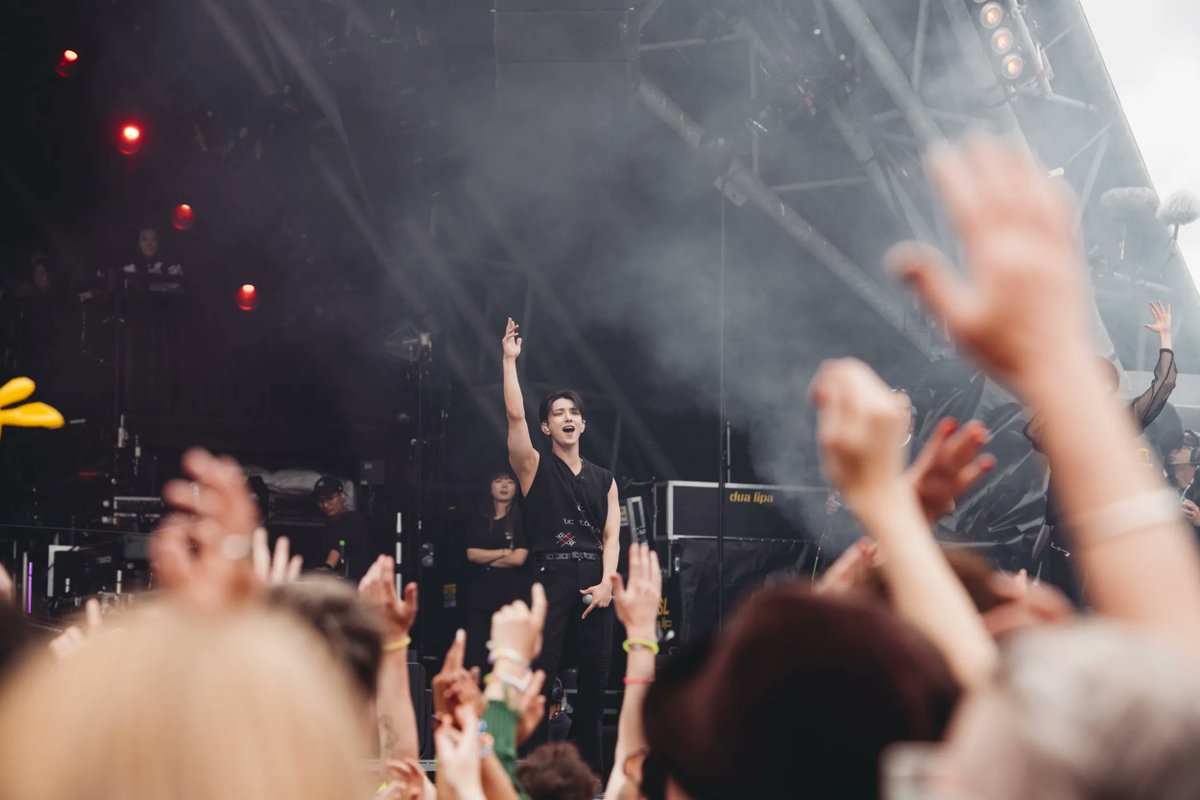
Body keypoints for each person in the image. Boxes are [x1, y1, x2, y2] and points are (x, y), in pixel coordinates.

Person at [501, 316, 619, 777]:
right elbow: (514, 415)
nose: (567, 418)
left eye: (573, 413)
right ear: (546, 427)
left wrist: (608, 582)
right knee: (538, 677)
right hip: (549, 576)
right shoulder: (532, 466)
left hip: (595, 580)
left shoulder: (604, 479)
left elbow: (612, 537)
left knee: (594, 685)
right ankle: (526, 772)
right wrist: (510, 361)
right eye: (557, 414)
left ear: (583, 423)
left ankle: (584, 776)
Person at [1025, 300, 1177, 600]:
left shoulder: (1118, 423)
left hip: (1095, 533)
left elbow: (1164, 385)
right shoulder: (1063, 425)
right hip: (1059, 533)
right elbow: (1032, 432)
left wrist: (1165, 338)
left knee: (1089, 607)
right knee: (1061, 606)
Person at [464, 469, 531, 670]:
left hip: (511, 596)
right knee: (477, 653)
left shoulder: (521, 518)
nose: (503, 485)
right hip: (481, 597)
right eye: (498, 480)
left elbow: (519, 558)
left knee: (508, 652)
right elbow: (471, 554)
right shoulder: (479, 517)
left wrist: (486, 559)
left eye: (509, 482)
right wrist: (503, 551)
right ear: (490, 486)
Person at [313, 476, 370, 581]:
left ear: (342, 496)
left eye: (330, 498)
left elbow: (340, 544)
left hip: (355, 583)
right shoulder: (323, 524)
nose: (325, 505)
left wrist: (328, 566)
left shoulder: (354, 520)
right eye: (321, 501)